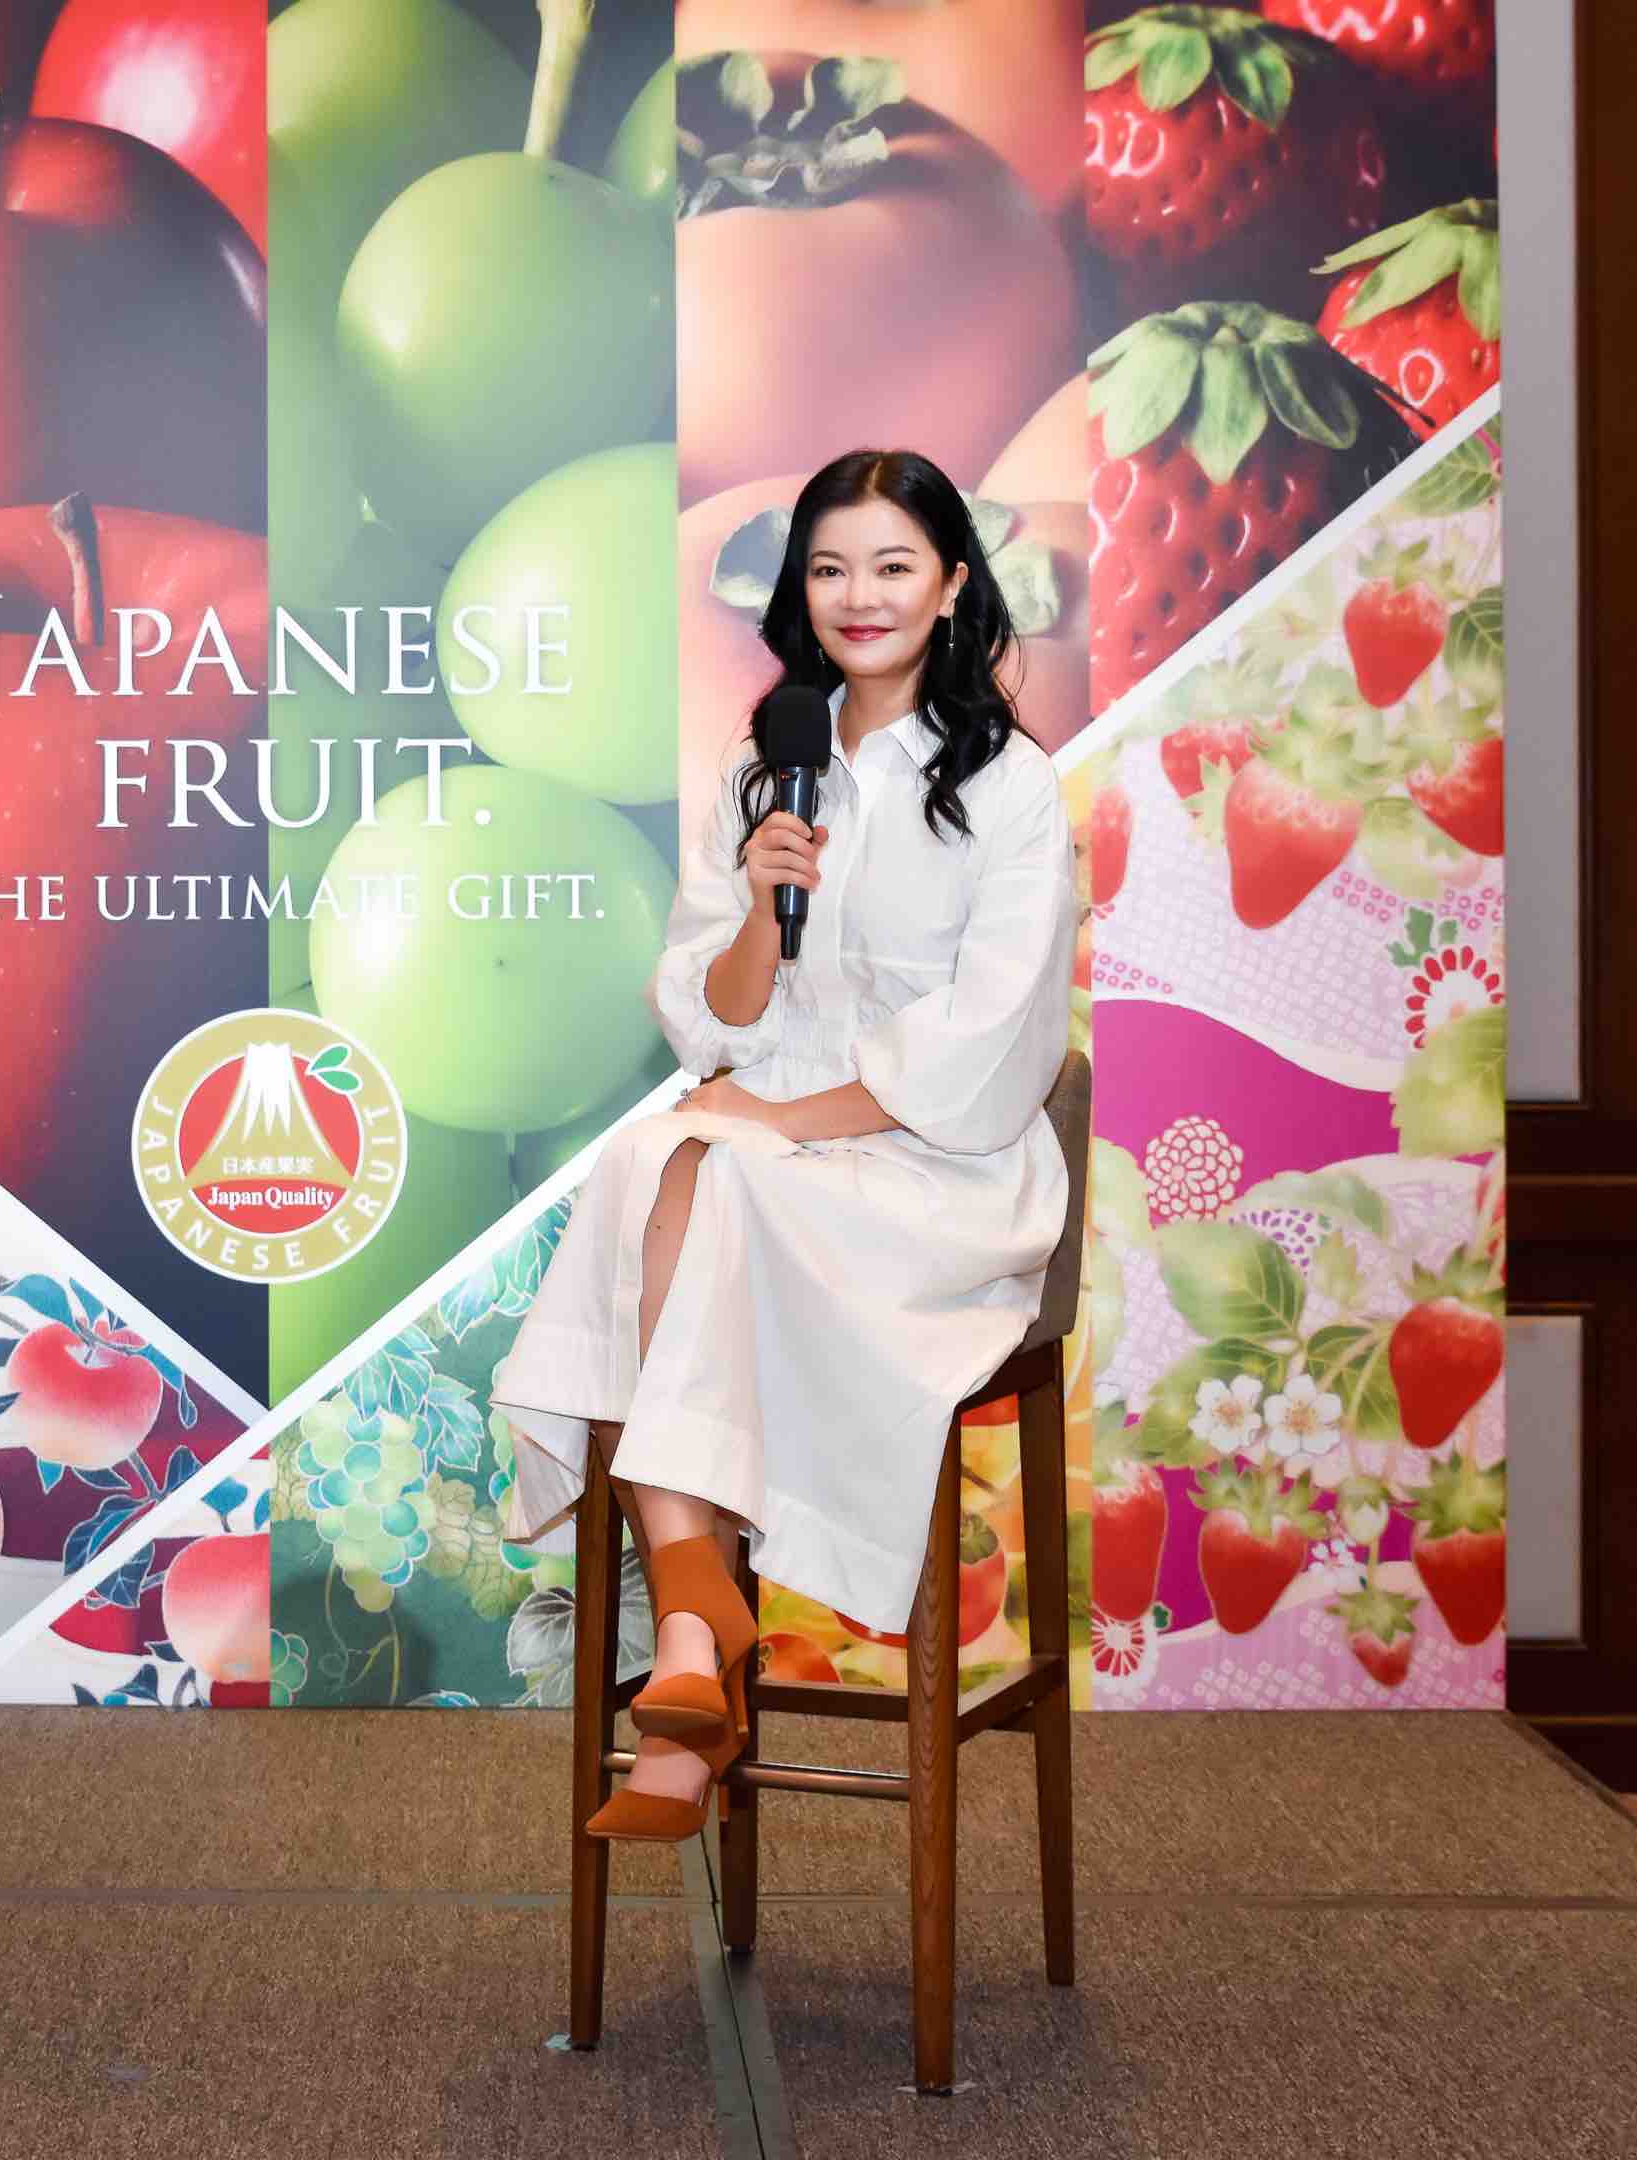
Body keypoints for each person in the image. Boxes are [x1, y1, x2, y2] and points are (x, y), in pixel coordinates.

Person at [492, 448, 1080, 1841]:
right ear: (799, 592)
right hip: (767, 1149)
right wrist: (762, 906)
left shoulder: (1012, 789)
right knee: (653, 1159)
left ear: (951, 585)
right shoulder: (769, 768)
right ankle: (696, 1642)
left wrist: (781, 1121)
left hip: (942, 1174)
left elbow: (988, 1048)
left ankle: (687, 1624)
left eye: (892, 566)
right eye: (829, 568)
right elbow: (712, 1018)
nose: (858, 596)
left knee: (707, 1165)